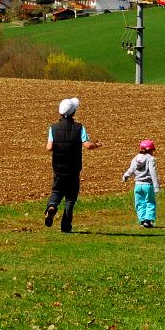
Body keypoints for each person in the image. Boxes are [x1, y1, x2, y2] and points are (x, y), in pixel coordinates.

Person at [45, 96, 100, 233]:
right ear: (73, 113)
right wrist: (96, 145)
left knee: (57, 191)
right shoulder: (79, 128)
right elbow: (87, 145)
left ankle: (52, 206)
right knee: (70, 197)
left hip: (58, 167)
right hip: (73, 168)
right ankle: (65, 226)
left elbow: (49, 147)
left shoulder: (53, 128)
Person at [121, 139, 160, 228]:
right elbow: (152, 172)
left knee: (139, 202)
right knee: (150, 202)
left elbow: (131, 169)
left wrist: (125, 175)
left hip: (138, 185)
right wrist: (156, 186)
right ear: (151, 150)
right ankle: (148, 220)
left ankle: (142, 220)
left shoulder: (135, 158)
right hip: (148, 185)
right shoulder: (151, 159)